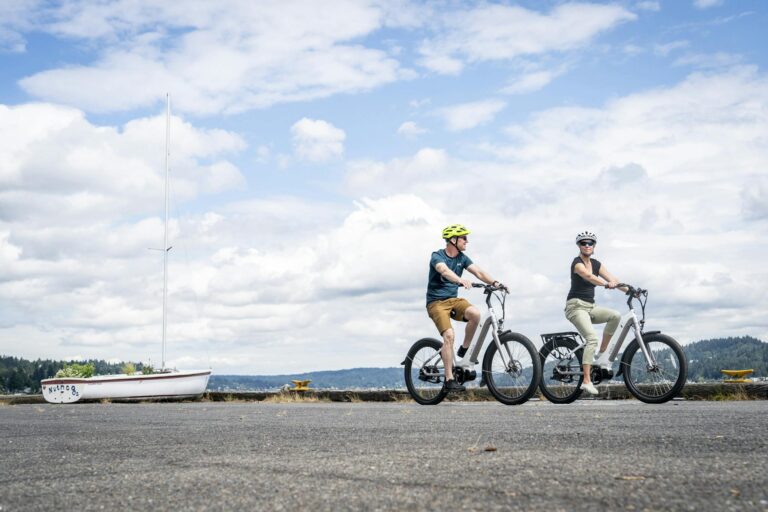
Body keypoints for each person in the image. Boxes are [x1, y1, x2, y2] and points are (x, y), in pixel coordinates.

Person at [426, 224, 504, 392]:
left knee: (475, 314)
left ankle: (464, 349)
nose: (467, 241)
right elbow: (443, 270)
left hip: (453, 300)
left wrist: (496, 283)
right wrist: (460, 280)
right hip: (436, 303)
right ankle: (449, 379)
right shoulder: (437, 256)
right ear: (453, 240)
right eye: (464, 238)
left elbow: (479, 272)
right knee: (449, 335)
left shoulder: (462, 258)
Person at [564, 231, 622, 396]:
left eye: (590, 243)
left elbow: (613, 279)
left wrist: (629, 290)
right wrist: (605, 284)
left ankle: (602, 355)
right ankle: (587, 381)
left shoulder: (596, 264)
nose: (587, 245)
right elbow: (588, 277)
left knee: (615, 316)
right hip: (575, 306)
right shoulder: (577, 263)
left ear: (594, 246)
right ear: (579, 246)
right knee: (592, 338)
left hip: (590, 306)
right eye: (583, 243)